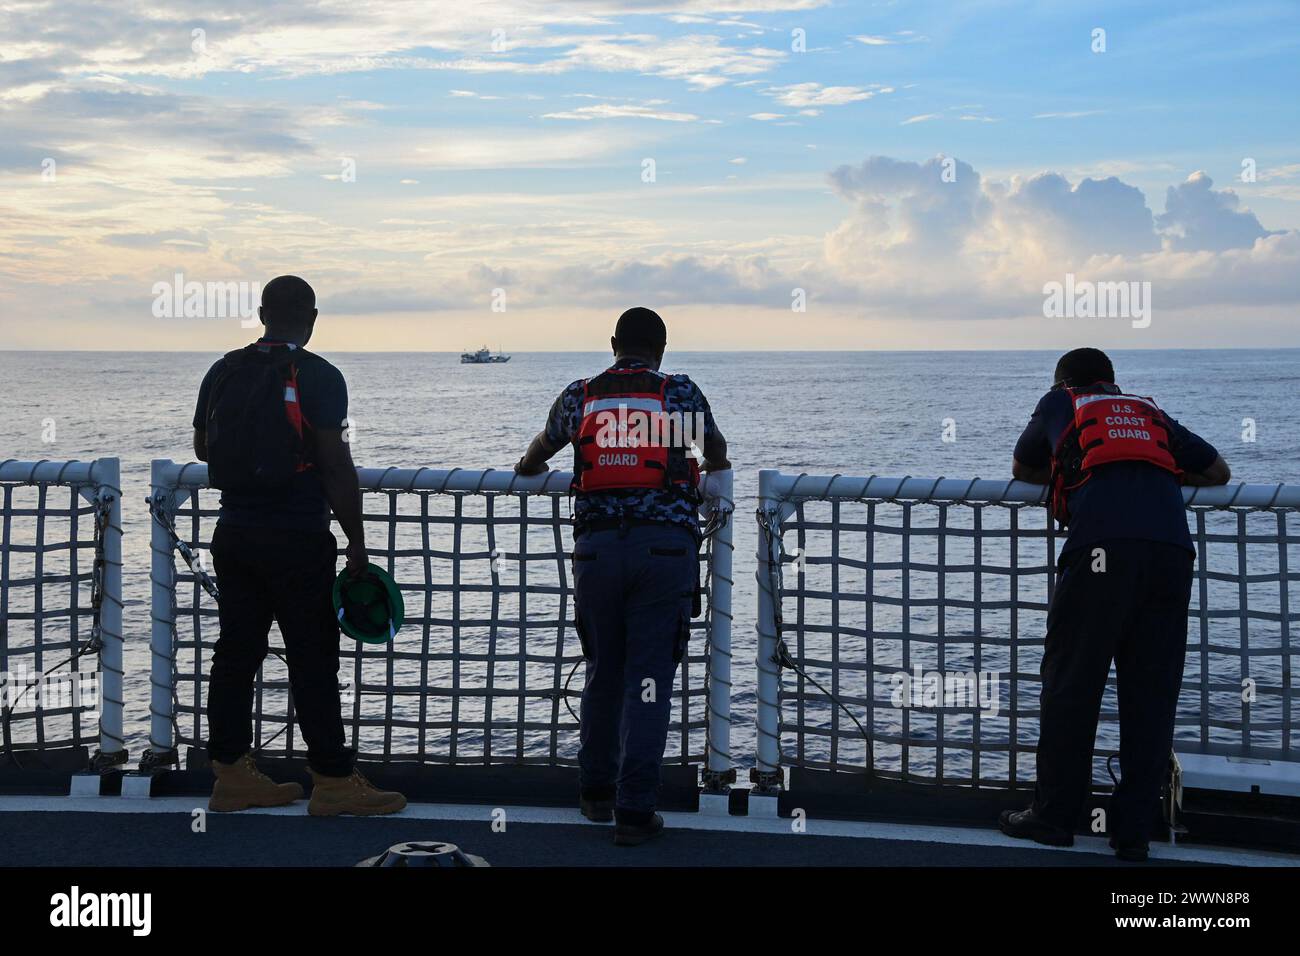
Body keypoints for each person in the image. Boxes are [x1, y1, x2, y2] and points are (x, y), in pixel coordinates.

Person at [999, 347, 1230, 860]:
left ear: (1063, 383)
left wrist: (1073, 473)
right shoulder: (1148, 412)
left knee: (1071, 686)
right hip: (1171, 553)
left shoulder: (1061, 402)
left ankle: (1054, 818)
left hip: (1100, 551)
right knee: (1150, 695)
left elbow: (1022, 465)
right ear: (1113, 382)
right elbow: (1219, 472)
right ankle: (1133, 832)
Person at [515, 307, 730, 846]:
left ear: (613, 343)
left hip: (596, 553)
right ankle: (635, 811)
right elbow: (717, 453)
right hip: (663, 553)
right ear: (663, 347)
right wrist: (709, 488)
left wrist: (529, 469)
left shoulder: (581, 396)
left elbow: (539, 453)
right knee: (650, 682)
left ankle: (594, 795)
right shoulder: (677, 395)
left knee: (603, 674)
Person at [193, 275, 405, 817]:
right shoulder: (320, 376)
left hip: (234, 534)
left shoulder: (223, 370)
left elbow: (201, 445)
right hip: (298, 537)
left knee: (236, 654)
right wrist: (357, 543)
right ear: (312, 318)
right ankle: (332, 781)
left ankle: (232, 776)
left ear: (262, 314)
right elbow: (335, 464)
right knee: (313, 659)